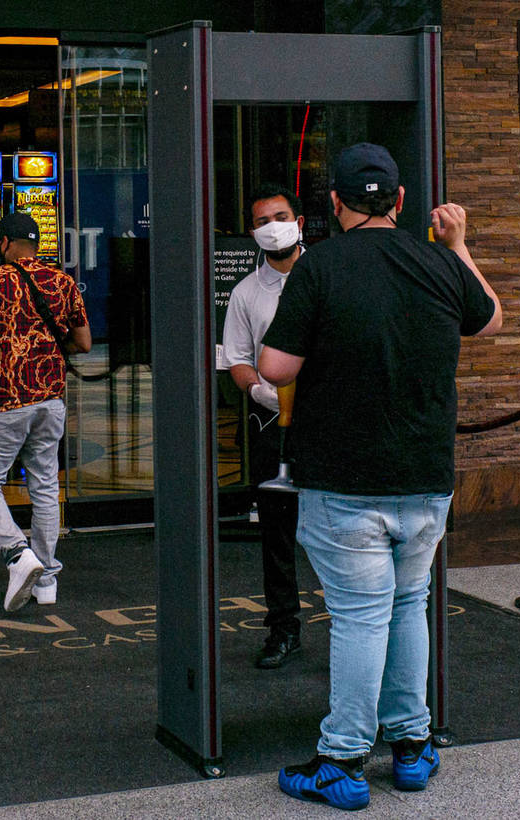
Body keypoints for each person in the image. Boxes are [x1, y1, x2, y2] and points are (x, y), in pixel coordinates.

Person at [258, 143, 502, 810]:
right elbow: (491, 317)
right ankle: (413, 747)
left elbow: (276, 368)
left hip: (345, 480)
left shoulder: (319, 267)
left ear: (333, 204)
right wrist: (458, 243)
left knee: (362, 616)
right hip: (426, 475)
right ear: (398, 202)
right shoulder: (437, 260)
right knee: (405, 605)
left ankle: (340, 759)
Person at [0, 211, 90, 612]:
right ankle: (47, 581)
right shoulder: (64, 282)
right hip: (50, 399)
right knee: (46, 487)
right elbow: (83, 342)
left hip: (3, 399)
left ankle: (18, 554)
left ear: (4, 243)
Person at [221, 184, 306, 670]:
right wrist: (258, 389)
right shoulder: (245, 293)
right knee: (276, 533)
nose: (272, 226)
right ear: (254, 233)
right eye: (262, 220)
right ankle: (283, 627)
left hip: (328, 420)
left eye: (280, 215)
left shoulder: (325, 273)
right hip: (271, 422)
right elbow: (235, 359)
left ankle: (355, 624)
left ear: (298, 221)